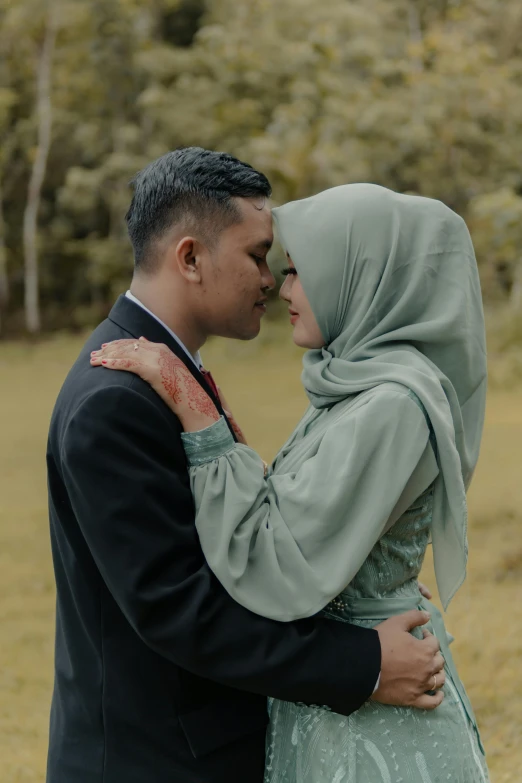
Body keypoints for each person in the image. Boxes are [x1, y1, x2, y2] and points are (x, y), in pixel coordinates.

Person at [46, 150, 443, 783]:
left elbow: (239, 541)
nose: (272, 277)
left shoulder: (169, 377)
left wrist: (347, 578)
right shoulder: (114, 402)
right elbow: (182, 610)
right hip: (157, 761)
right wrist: (362, 663)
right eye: (257, 256)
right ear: (191, 258)